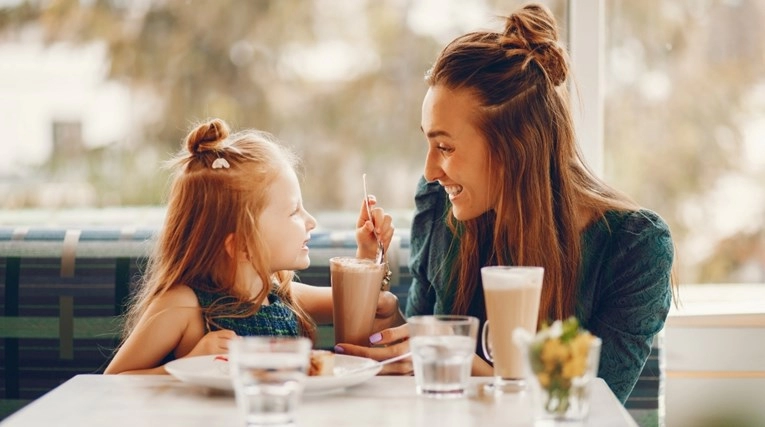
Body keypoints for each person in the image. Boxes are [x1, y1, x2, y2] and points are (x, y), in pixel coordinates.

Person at [336, 3, 675, 403]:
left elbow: (587, 402)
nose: (430, 172)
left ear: (514, 148)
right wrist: (391, 324)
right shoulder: (440, 207)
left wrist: (457, 353)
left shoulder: (634, 248)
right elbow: (427, 354)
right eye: (428, 143)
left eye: (445, 146)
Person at [105, 118, 395, 374]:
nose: (311, 221)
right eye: (294, 211)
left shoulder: (280, 295)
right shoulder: (183, 304)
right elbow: (111, 383)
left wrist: (368, 254)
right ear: (242, 244)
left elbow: (357, 307)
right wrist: (187, 364)